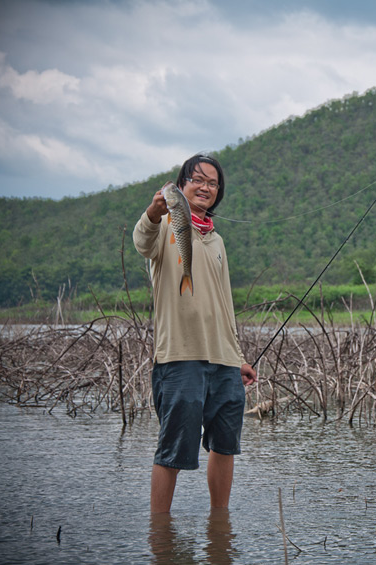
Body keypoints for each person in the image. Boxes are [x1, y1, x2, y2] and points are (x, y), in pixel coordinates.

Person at [133, 153, 257, 514]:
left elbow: (224, 304)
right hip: (179, 357)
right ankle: (160, 531)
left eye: (213, 183)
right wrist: (155, 212)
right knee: (173, 448)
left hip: (224, 361)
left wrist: (238, 358)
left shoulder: (217, 241)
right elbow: (143, 241)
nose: (205, 187)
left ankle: (220, 526)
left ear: (219, 193)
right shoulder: (166, 226)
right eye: (197, 180)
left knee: (225, 446)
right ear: (181, 186)